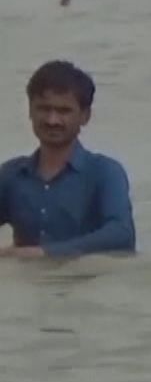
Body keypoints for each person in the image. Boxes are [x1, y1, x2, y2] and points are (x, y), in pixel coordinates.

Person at [1, 60, 136, 259]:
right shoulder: (11, 175)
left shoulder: (104, 172)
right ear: (30, 111)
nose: (52, 120)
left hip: (88, 284)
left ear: (85, 116)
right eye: (44, 109)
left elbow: (121, 235)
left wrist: (45, 253)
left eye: (64, 111)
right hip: (27, 286)